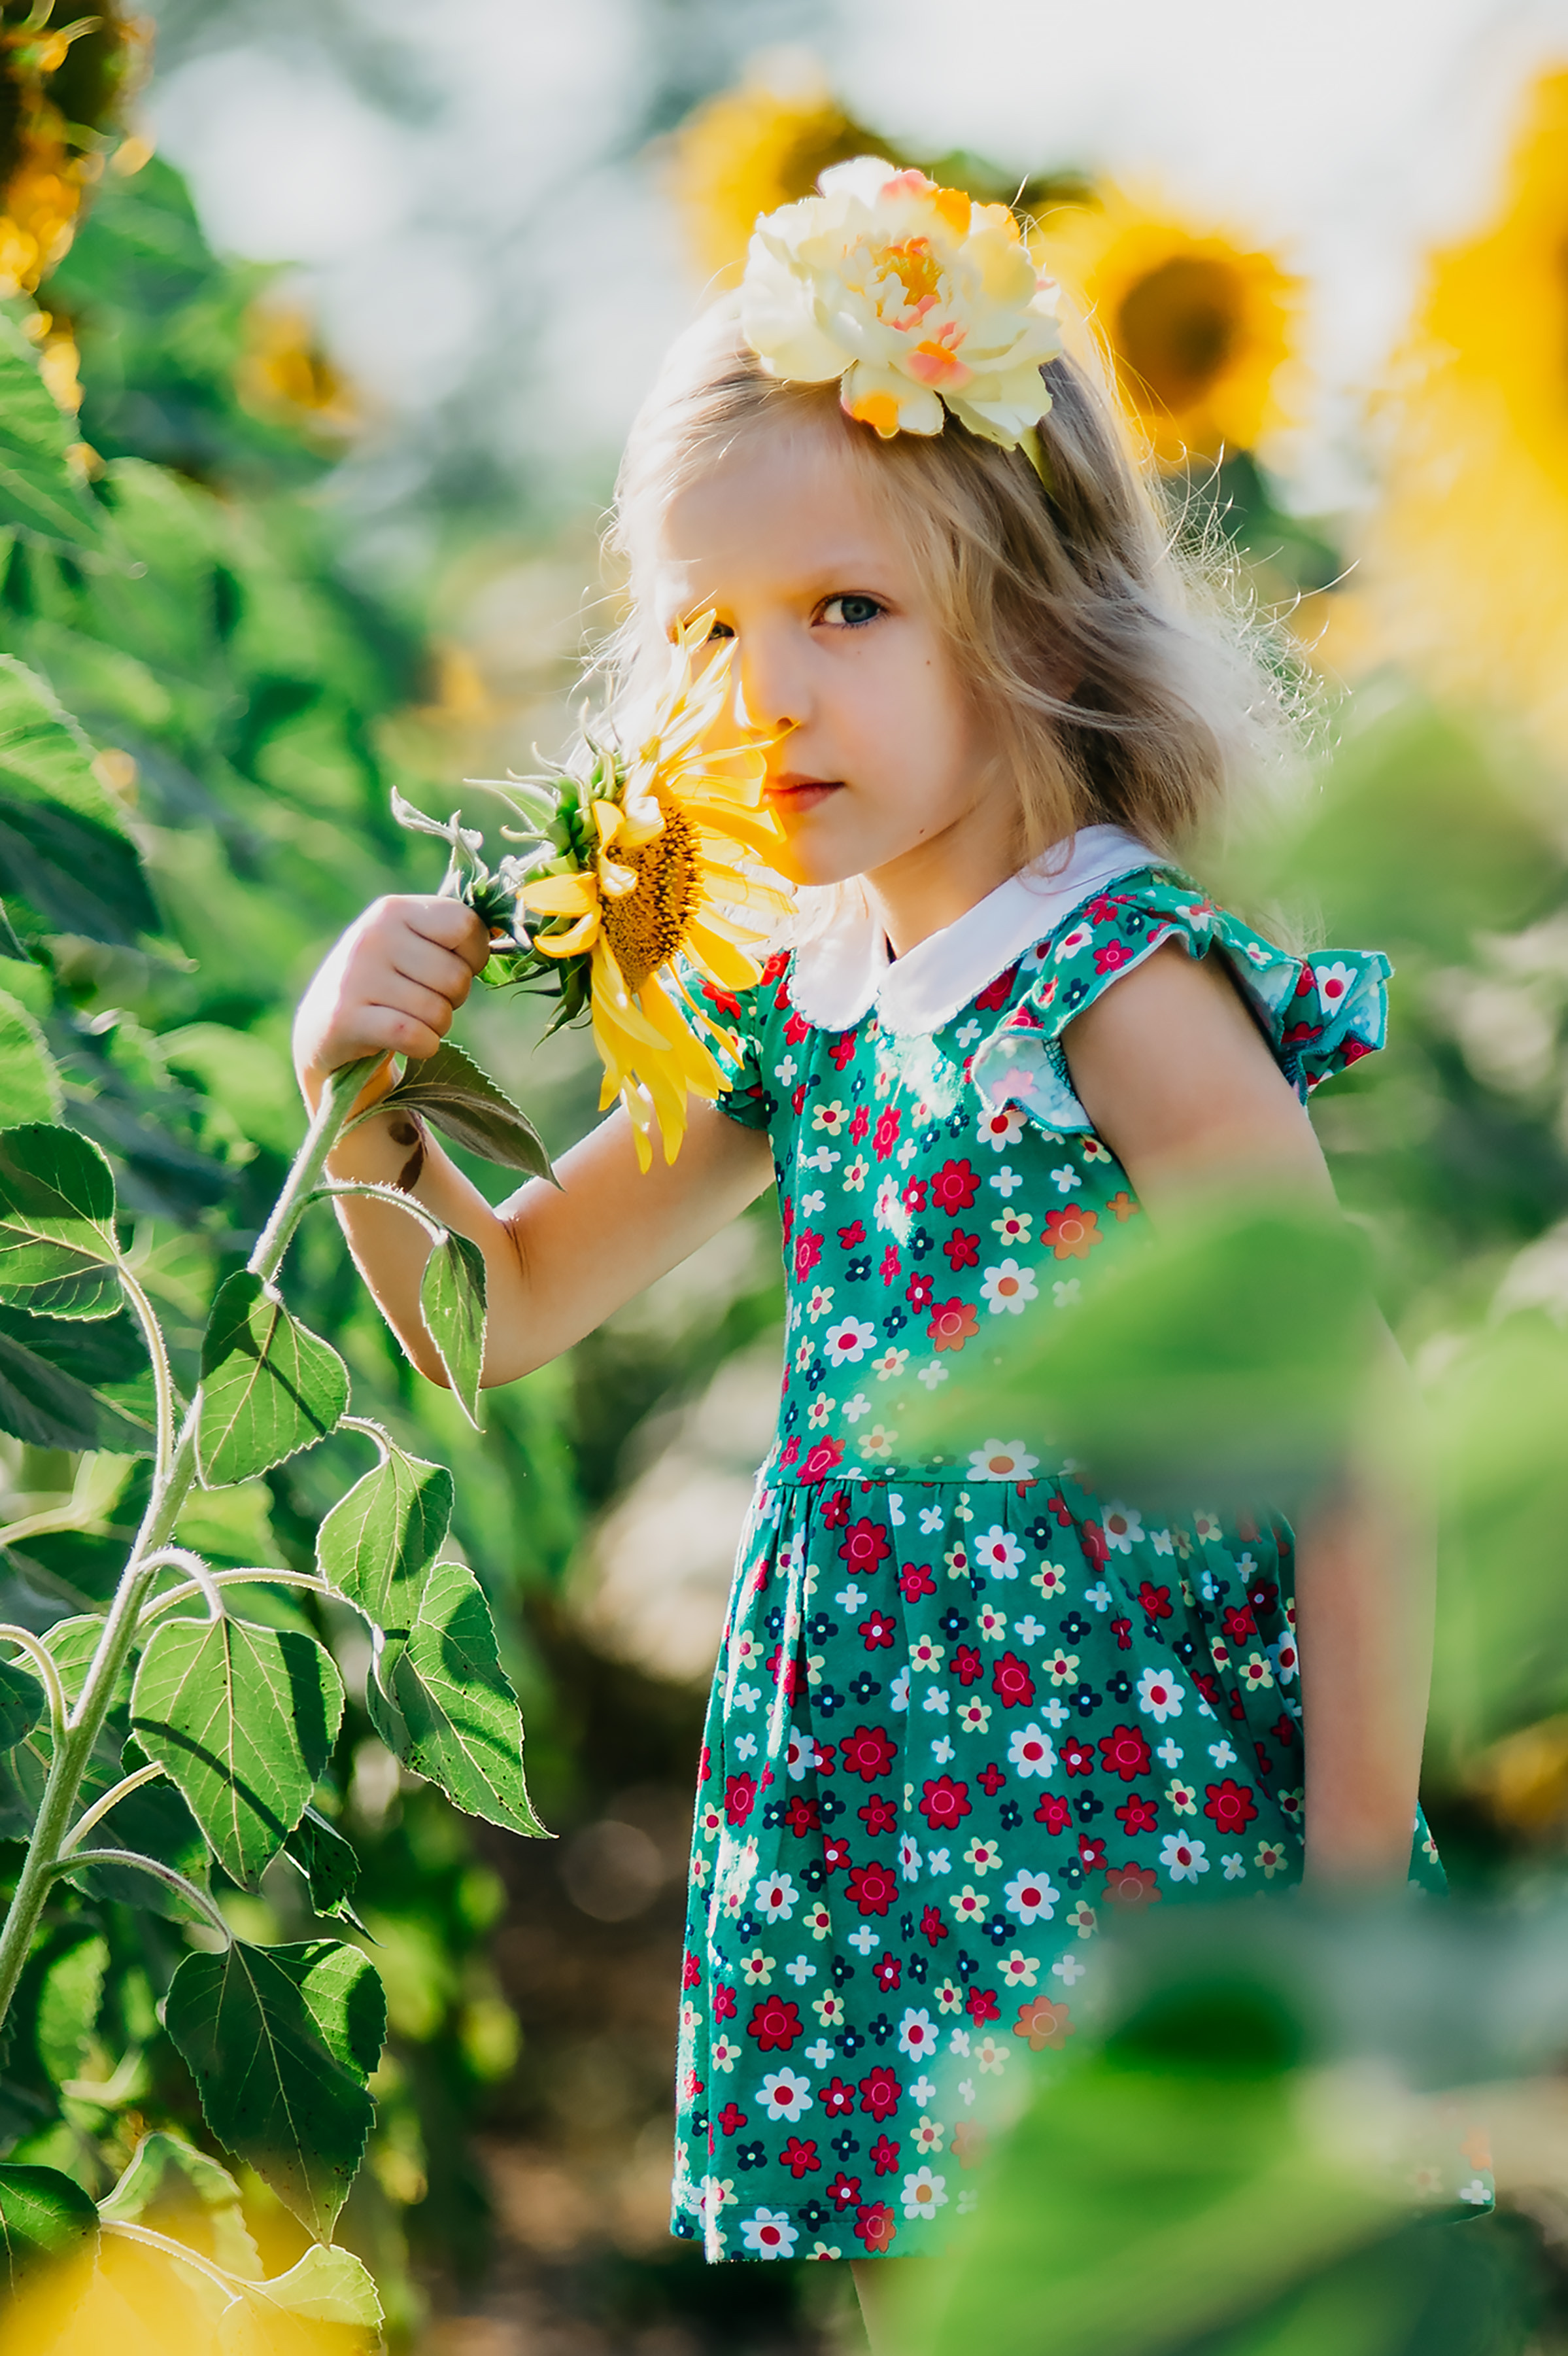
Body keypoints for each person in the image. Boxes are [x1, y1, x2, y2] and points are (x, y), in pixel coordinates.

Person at [293, 160, 1439, 2346]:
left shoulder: (1122, 988)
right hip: (895, 1815)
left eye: (848, 610)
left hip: (1125, 1810)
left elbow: (1351, 1447)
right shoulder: (800, 992)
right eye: (713, 631)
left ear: (1027, 610)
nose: (768, 697)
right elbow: (504, 1308)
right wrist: (353, 1100)